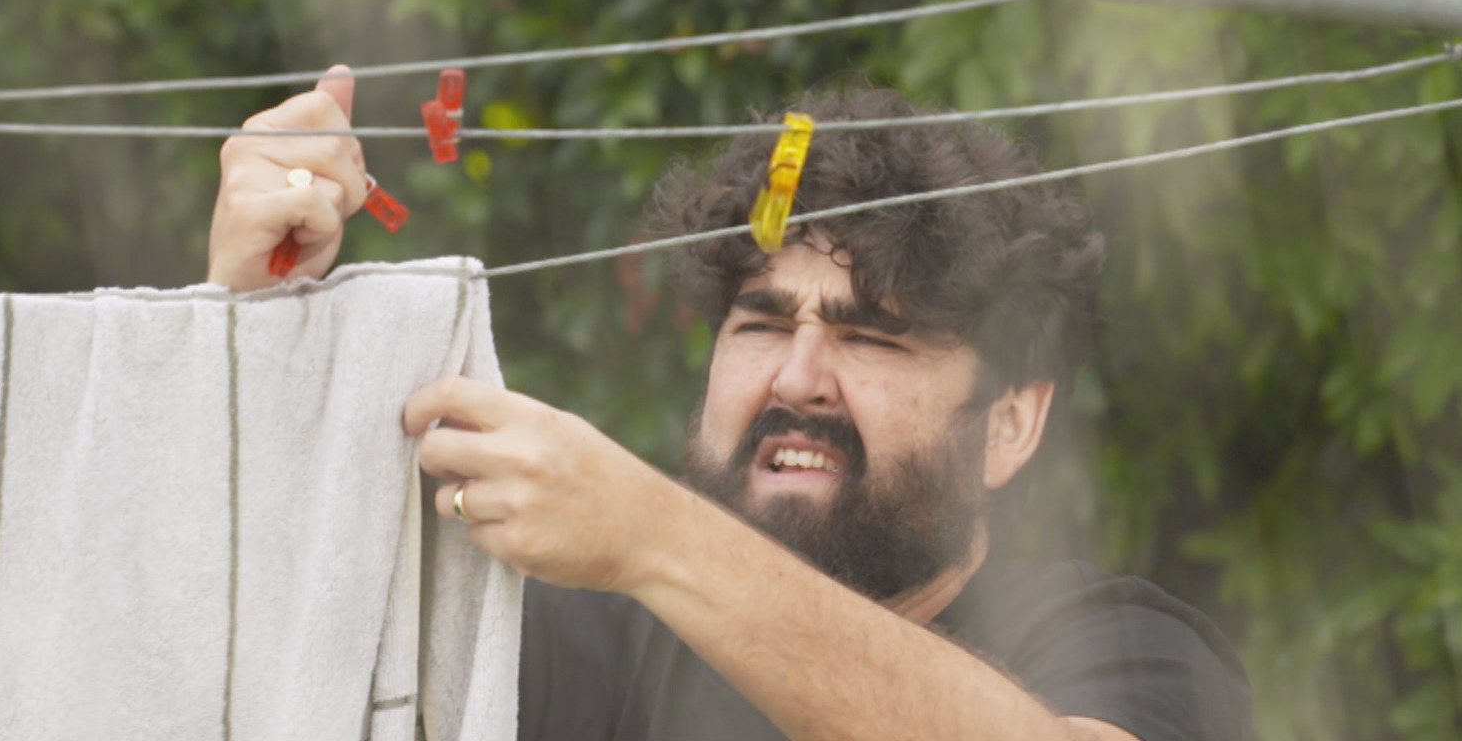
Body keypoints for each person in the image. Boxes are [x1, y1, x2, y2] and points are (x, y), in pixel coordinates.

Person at [206, 67, 1252, 741]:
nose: (797, 379)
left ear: (1012, 422)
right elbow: (273, 658)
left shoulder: (1116, 647)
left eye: (870, 336)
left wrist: (658, 536)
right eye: (760, 323)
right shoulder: (587, 639)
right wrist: (258, 342)